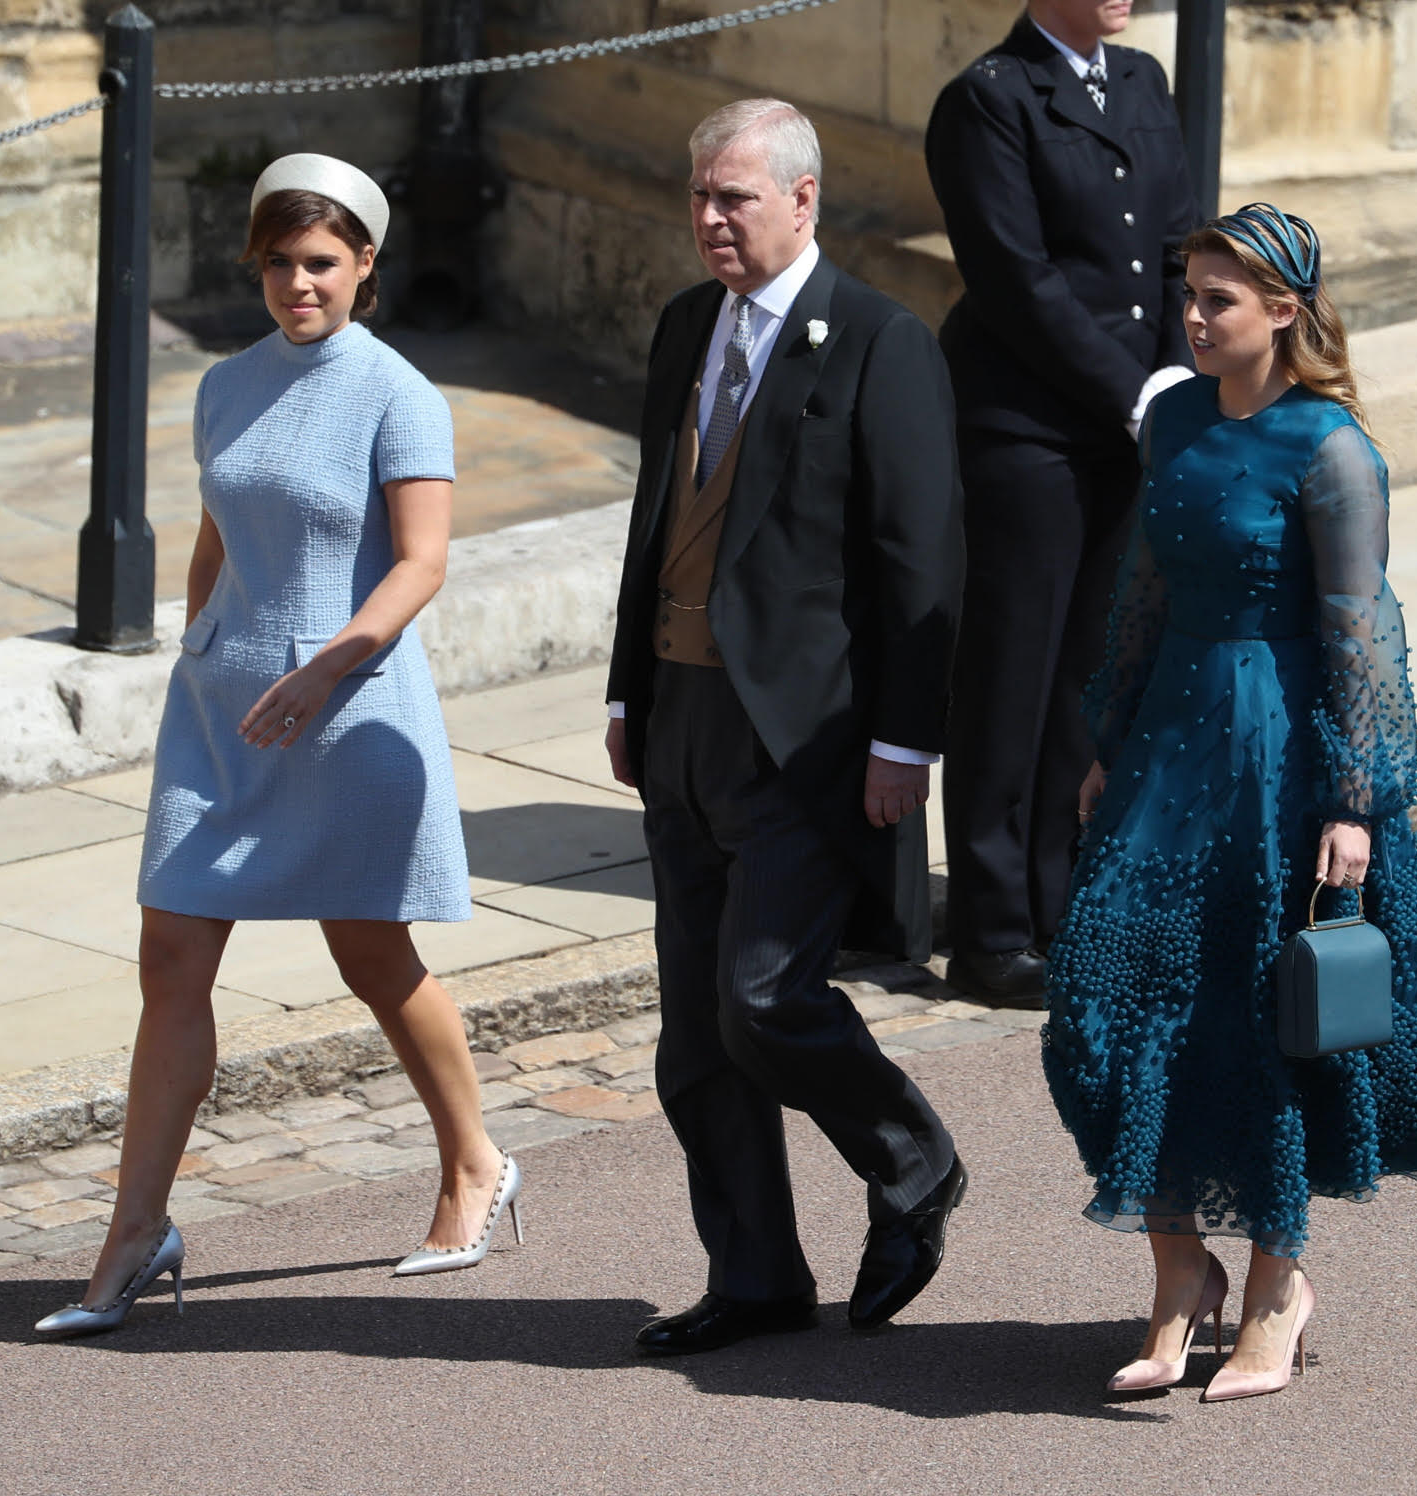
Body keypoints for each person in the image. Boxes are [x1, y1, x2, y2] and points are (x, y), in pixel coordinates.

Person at [36, 154, 520, 1338]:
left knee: (371, 954)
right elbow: (219, 528)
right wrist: (202, 639)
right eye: (279, 263)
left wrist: (319, 668)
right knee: (171, 957)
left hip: (349, 709)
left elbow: (421, 563)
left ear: (364, 264)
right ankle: (134, 1231)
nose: (298, 283)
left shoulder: (401, 391)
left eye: (321, 262)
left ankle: (475, 1162)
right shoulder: (223, 385)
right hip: (220, 718)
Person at [1044, 204, 1417, 1401]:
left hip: (1281, 751)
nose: (1192, 315)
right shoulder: (1174, 413)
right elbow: (1139, 586)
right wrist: (1106, 738)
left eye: (1216, 299)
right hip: (1170, 736)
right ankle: (1183, 1268)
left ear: (1283, 312)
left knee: (1261, 1016)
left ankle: (1278, 1280)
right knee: (1100, 999)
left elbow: (1362, 630)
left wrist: (1358, 796)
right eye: (1188, 293)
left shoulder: (1331, 448)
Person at [603, 99, 968, 1355]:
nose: (709, 219)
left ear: (803, 200)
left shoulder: (878, 340)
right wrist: (625, 690)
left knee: (765, 994)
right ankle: (755, 1273)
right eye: (700, 195)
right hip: (682, 716)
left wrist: (906, 745)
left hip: (809, 735)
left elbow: (921, 559)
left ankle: (912, 1161)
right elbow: (658, 517)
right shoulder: (682, 328)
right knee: (698, 1040)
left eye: (735, 198)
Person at [924, 0, 1197, 1007]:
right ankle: (992, 930)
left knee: (1094, 669)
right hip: (1028, 428)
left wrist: (1176, 383)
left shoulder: (1140, 83)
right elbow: (1017, 279)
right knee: (1010, 675)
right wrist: (1133, 394)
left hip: (1131, 421)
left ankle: (1062, 901)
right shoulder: (988, 100)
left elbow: (1175, 254)